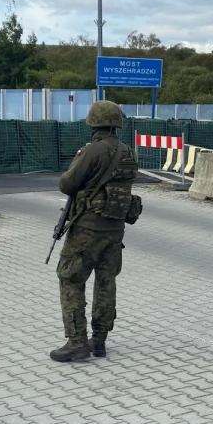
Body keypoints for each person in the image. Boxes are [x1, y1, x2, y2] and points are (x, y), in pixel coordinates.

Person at [51, 100, 139, 362]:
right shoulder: (128, 152)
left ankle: (77, 342)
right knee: (106, 282)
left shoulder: (92, 152)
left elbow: (67, 184)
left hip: (87, 229)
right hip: (115, 229)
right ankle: (99, 340)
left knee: (70, 278)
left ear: (92, 123)